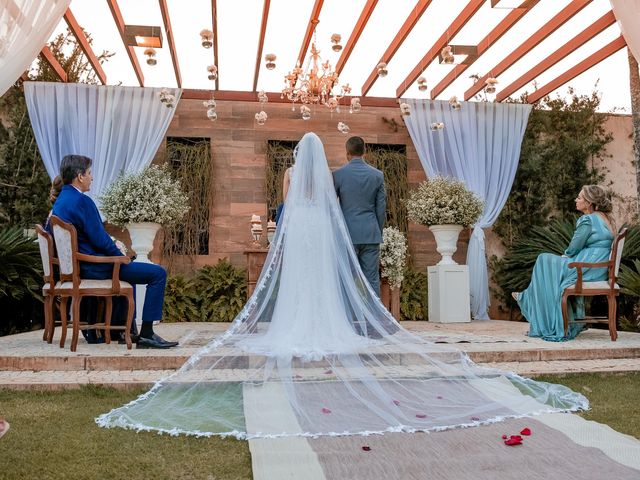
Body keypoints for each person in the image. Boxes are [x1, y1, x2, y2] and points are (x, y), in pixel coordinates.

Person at [97, 133, 587, 439]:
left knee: (307, 283)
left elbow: (294, 211)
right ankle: (363, 324)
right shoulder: (362, 175)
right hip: (355, 234)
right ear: (361, 152)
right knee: (356, 282)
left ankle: (309, 324)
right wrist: (365, 228)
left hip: (308, 232)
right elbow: (373, 210)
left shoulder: (314, 180)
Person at [51, 155, 178, 349]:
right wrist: (122, 258)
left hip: (81, 267)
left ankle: (125, 331)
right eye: (89, 173)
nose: (92, 177)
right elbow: (100, 239)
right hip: (96, 268)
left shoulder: (61, 201)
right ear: (79, 176)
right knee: (157, 274)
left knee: (133, 273)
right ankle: (147, 334)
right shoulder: (82, 201)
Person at [513, 185, 615, 341]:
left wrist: (565, 256)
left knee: (542, 259)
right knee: (547, 262)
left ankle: (529, 300)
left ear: (588, 202)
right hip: (599, 268)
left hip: (585, 268)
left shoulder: (588, 219)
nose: (576, 199)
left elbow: (574, 246)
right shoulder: (605, 218)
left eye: (579, 197)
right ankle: (526, 296)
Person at [333, 136, 386, 296]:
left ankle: (348, 318)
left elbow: (332, 207)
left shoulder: (338, 175)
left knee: (346, 279)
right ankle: (374, 319)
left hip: (347, 234)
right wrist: (377, 230)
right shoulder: (377, 175)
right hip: (370, 232)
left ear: (347, 153)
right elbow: (381, 208)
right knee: (372, 280)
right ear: (365, 151)